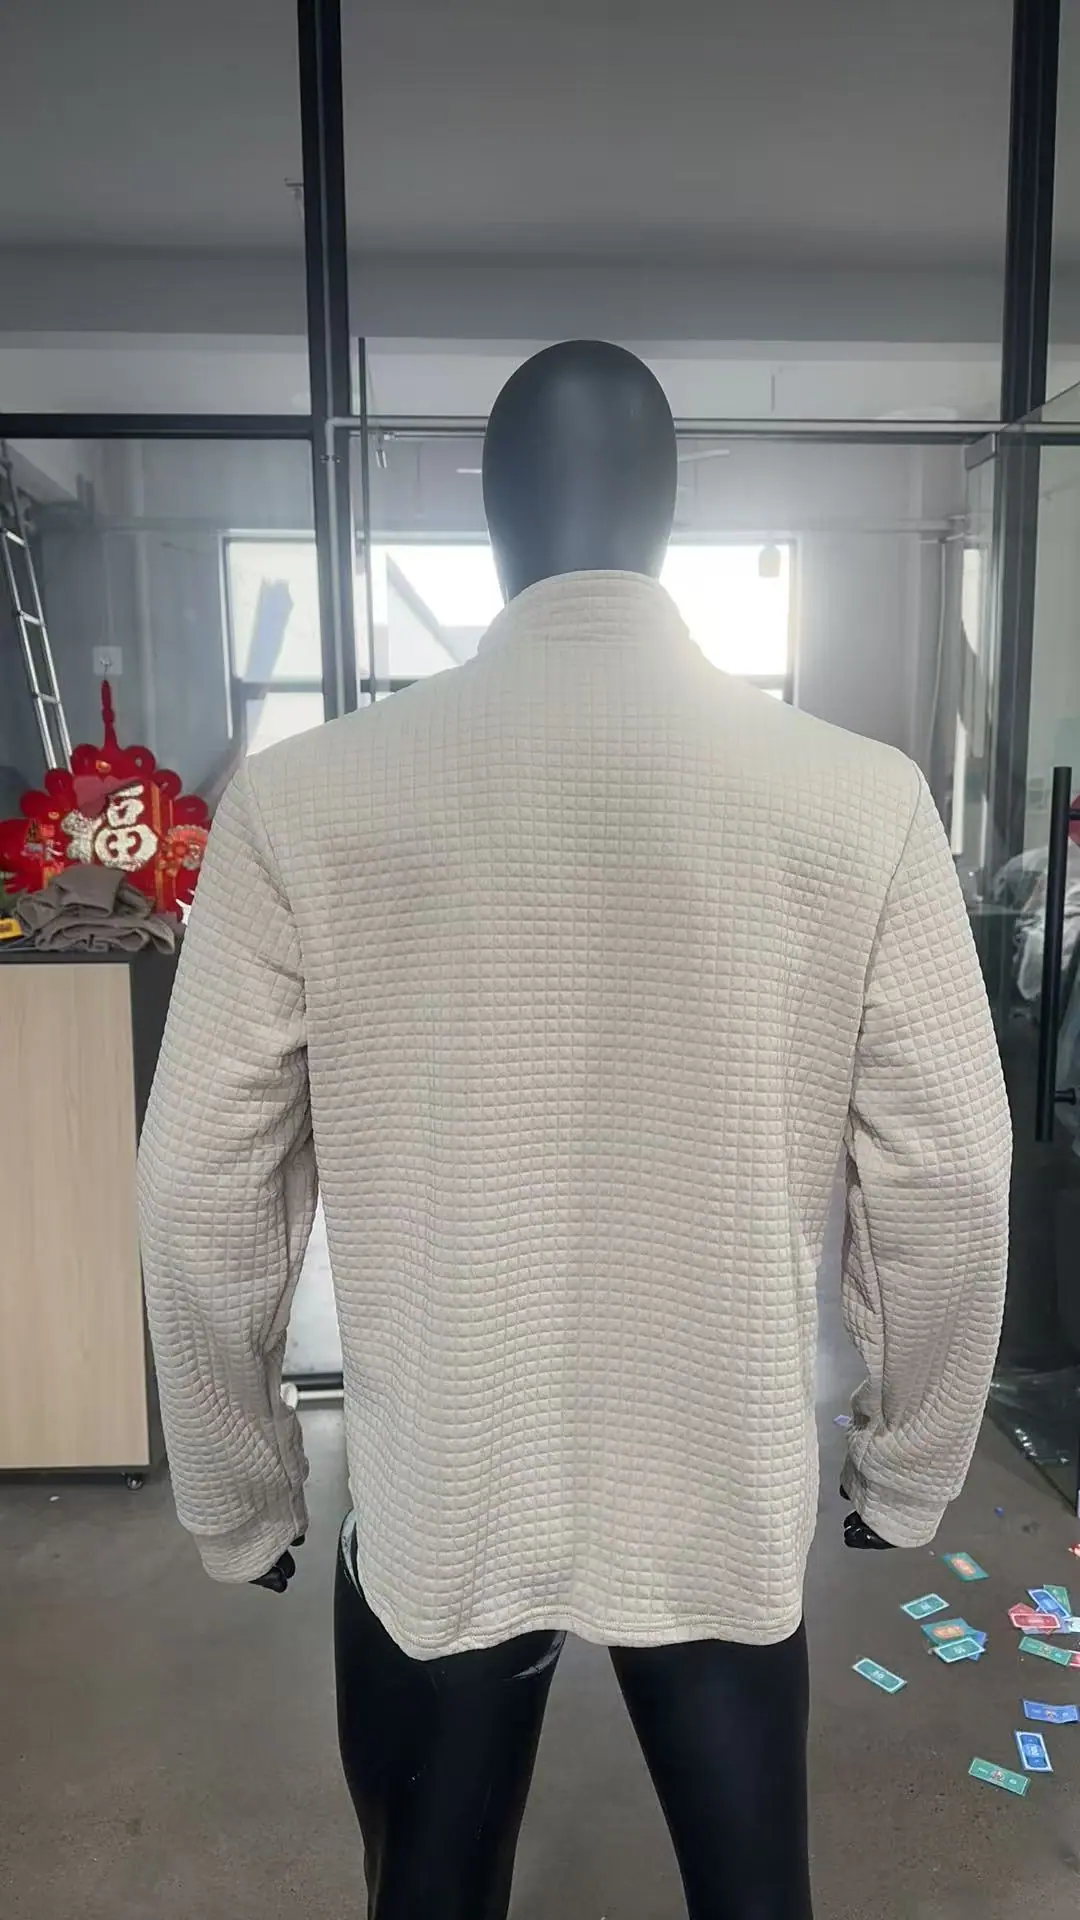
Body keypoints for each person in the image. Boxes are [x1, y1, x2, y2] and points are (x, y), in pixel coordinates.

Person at [139, 343, 1011, 1920]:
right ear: (669, 520)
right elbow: (951, 1176)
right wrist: (907, 1465)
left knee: (428, 1890)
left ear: (492, 522)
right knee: (757, 1898)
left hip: (443, 1478)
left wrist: (241, 1487)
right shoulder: (859, 801)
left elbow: (201, 1186)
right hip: (722, 1472)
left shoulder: (307, 803)